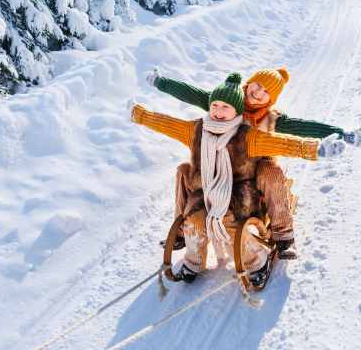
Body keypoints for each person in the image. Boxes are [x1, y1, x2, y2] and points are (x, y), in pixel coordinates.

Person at [128, 72, 346, 287]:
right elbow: (171, 116)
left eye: (266, 91)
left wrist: (322, 146)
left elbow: (285, 141)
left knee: (265, 175)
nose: (258, 93)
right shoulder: (206, 120)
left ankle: (275, 242)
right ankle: (189, 248)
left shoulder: (254, 131)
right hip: (211, 182)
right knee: (188, 186)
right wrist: (145, 104)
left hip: (247, 181)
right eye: (215, 105)